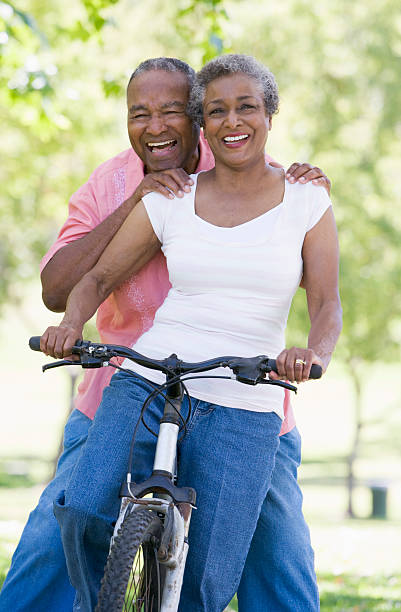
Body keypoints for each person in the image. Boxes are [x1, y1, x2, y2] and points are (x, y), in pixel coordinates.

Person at [0, 57, 330, 612]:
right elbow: (64, 288)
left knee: (278, 565)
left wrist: (312, 354)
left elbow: (322, 294)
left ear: (195, 120)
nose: (156, 126)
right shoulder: (118, 186)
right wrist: (139, 197)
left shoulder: (276, 182)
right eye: (139, 113)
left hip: (242, 393)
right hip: (123, 382)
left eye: (172, 111)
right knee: (53, 539)